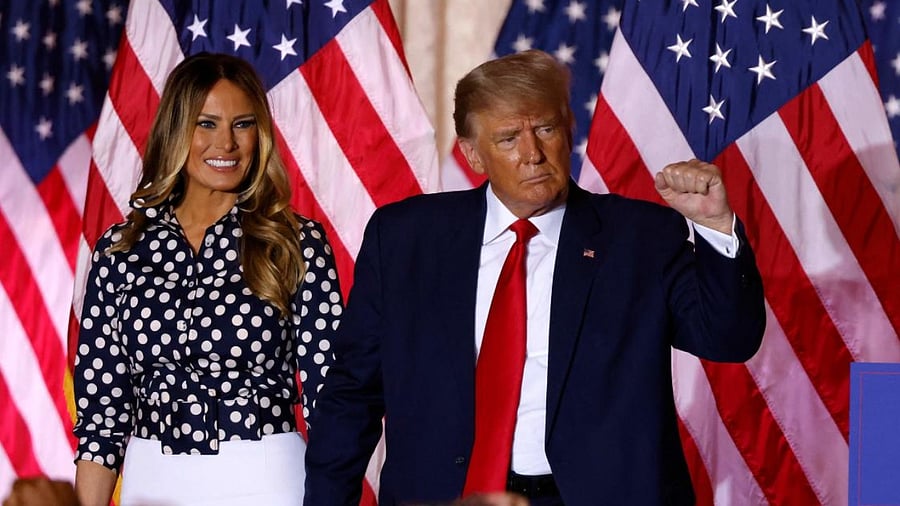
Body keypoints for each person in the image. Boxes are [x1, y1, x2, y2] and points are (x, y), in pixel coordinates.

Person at [303, 49, 765, 506]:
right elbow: (353, 393)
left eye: (545, 129)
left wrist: (714, 226)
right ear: (473, 154)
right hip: (451, 496)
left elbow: (729, 339)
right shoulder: (405, 239)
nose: (533, 154)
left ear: (568, 131)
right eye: (508, 138)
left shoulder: (639, 236)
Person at [72, 52, 343, 506]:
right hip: (150, 479)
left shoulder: (295, 242)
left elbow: (329, 395)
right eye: (206, 124)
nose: (227, 144)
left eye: (243, 124)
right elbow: (103, 414)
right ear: (176, 130)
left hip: (267, 475)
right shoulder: (121, 249)